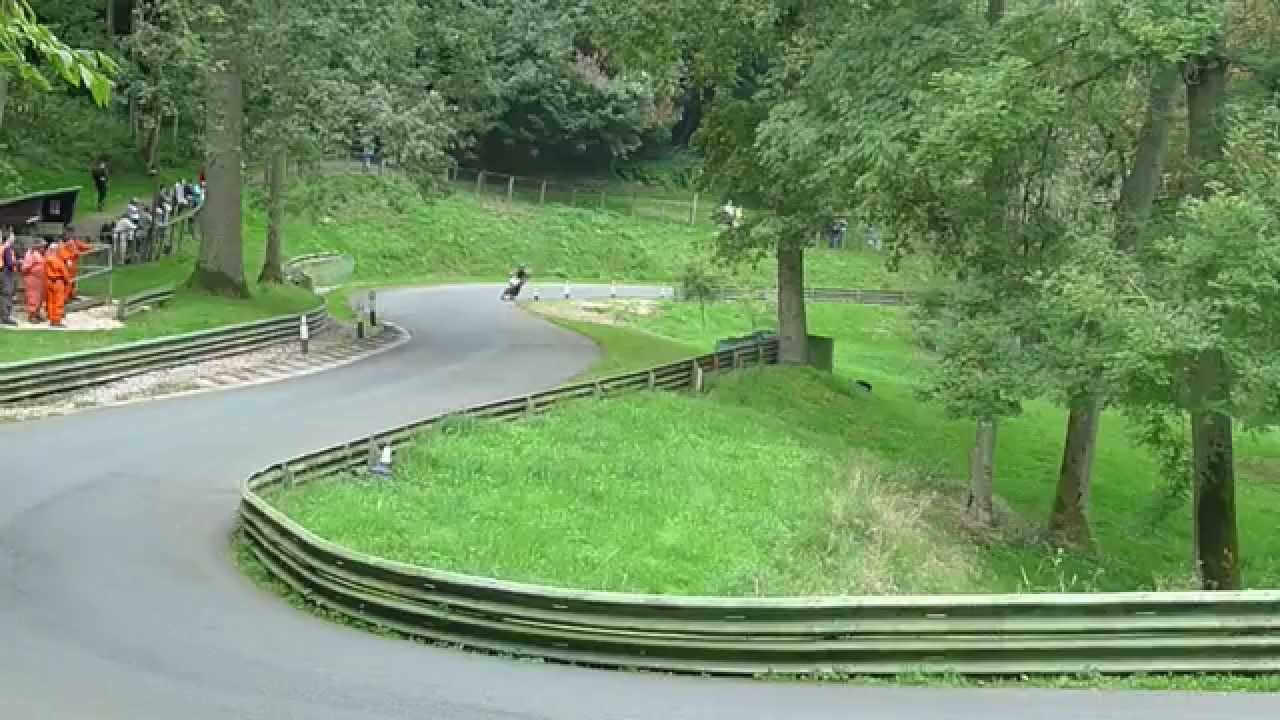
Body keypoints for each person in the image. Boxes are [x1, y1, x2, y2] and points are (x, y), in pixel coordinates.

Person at [44, 240, 69, 328]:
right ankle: (57, 321)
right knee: (58, 301)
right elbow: (64, 273)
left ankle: (51, 319)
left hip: (49, 281)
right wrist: (67, 281)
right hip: (58, 282)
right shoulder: (57, 260)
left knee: (51, 301)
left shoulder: (46, 258)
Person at [20, 240, 46, 323]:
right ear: (37, 247)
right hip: (32, 279)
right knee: (33, 297)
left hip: (39, 280)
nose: (43, 248)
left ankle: (37, 313)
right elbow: (24, 268)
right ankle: (32, 315)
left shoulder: (39, 255)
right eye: (42, 246)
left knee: (39, 297)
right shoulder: (30, 254)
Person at [1, 229, 16, 326]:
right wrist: (17, 262)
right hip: (5, 273)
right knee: (6, 294)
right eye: (13, 237)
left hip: (3, 271)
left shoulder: (3, 247)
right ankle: (5, 317)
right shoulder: (6, 248)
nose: (14, 238)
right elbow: (9, 263)